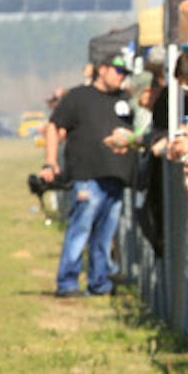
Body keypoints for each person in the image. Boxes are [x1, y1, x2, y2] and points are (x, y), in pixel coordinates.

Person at [41, 54, 136, 298]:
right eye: (117, 70)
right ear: (101, 69)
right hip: (87, 177)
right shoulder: (78, 97)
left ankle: (99, 282)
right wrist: (51, 162)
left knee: (104, 237)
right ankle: (68, 282)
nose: (121, 76)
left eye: (124, 73)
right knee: (80, 230)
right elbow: (54, 126)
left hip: (116, 177)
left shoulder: (125, 100)